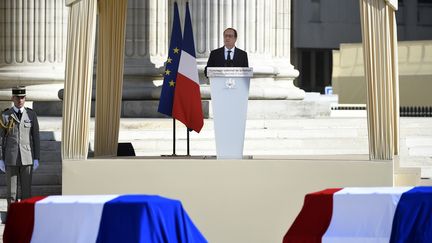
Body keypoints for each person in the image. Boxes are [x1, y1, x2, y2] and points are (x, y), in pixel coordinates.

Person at [0, 86, 40, 207]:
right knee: (11, 192)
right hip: (10, 158)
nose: (20, 100)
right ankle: (12, 215)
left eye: (22, 97)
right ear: (12, 98)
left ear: (25, 98)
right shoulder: (6, 115)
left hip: (27, 157)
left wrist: (36, 157)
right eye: (17, 97)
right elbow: (1, 138)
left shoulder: (31, 115)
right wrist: (1, 158)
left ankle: (25, 215)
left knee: (26, 191)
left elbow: (36, 138)